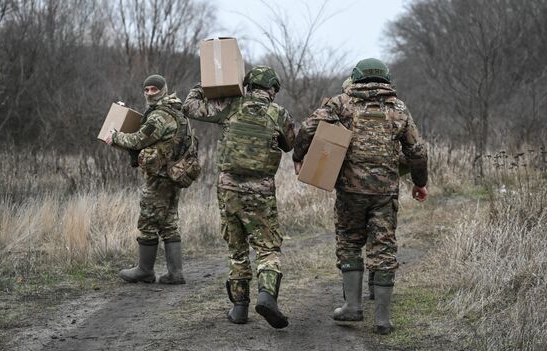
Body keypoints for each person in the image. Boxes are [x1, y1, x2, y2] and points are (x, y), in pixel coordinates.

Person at [292, 58, 428, 334]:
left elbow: (307, 127)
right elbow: (418, 152)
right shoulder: (398, 108)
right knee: (384, 248)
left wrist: (298, 156)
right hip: (384, 192)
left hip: (350, 191)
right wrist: (420, 182)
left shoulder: (342, 103)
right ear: (386, 79)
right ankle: (382, 320)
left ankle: (352, 308)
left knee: (350, 244)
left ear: (355, 78)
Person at [182, 66, 295, 329]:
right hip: (261, 192)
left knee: (237, 247)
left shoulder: (230, 105)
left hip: (228, 189)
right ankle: (267, 297)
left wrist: (209, 83)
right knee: (267, 248)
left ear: (248, 85)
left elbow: (189, 107)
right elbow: (290, 145)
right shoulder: (279, 114)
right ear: (273, 89)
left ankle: (240, 308)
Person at [106, 74, 188, 285]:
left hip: (159, 176)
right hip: (173, 174)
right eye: (147, 90)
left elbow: (139, 139)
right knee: (169, 222)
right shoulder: (176, 110)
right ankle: (175, 273)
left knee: (148, 221)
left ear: (164, 89)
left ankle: (145, 270)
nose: (151, 93)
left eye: (155, 89)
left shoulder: (159, 116)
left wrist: (114, 136)